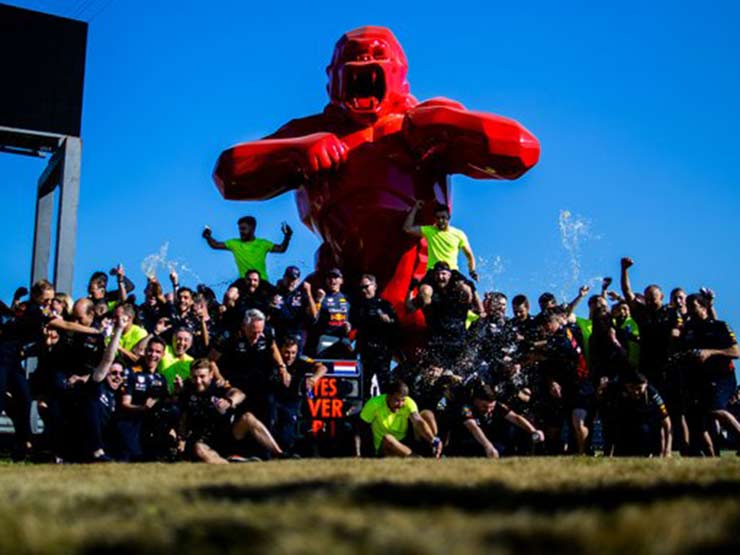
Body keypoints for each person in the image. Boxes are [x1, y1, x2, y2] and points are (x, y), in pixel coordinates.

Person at [177, 358, 283, 464]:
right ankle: (229, 465)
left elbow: (240, 394)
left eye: (202, 376)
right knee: (198, 448)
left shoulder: (218, 386)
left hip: (226, 436)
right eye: (195, 377)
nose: (198, 381)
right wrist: (181, 440)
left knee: (248, 417)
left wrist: (230, 401)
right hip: (203, 440)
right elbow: (183, 419)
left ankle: (280, 454)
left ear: (211, 374)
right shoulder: (187, 391)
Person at [681, 293, 740, 455]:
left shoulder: (719, 326)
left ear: (704, 307)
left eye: (693, 306)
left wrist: (710, 353)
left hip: (722, 378)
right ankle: (712, 457)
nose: (690, 310)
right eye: (689, 306)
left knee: (714, 409)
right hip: (698, 379)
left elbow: (736, 352)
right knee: (697, 419)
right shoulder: (687, 329)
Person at [448, 381, 543, 458]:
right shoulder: (466, 407)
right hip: (467, 441)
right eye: (484, 406)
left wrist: (533, 431)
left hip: (487, 438)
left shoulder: (497, 406)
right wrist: (488, 447)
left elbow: (516, 418)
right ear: (476, 401)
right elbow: (473, 427)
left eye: (491, 407)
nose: (488, 410)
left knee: (515, 430)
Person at [358, 379, 442, 458]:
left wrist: (434, 440)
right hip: (384, 448)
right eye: (397, 400)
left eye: (403, 400)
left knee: (427, 414)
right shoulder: (374, 404)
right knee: (388, 438)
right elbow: (360, 429)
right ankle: (417, 460)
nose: (400, 404)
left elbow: (418, 421)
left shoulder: (408, 402)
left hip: (405, 443)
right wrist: (360, 454)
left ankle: (436, 451)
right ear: (388, 396)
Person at [118, 336, 170, 461]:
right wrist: (143, 408)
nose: (153, 355)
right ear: (145, 351)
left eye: (158, 352)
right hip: (129, 424)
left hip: (150, 429)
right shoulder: (131, 372)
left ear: (162, 355)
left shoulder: (161, 378)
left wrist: (178, 391)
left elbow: (166, 403)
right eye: (150, 350)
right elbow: (124, 404)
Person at [273, 337, 327, 453]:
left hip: (292, 403)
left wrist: (313, 379)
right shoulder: (275, 360)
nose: (290, 356)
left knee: (287, 435)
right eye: (286, 352)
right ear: (281, 350)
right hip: (274, 400)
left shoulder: (302, 360)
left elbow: (322, 368)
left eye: (293, 352)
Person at [403, 201, 478, 282]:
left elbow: (469, 255)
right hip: (433, 270)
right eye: (437, 218)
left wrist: (472, 271)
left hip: (452, 271)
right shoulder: (429, 230)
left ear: (448, 217)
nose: (440, 220)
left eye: (443, 217)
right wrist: (415, 208)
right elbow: (407, 229)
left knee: (467, 289)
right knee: (424, 291)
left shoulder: (459, 234)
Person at [202, 216, 293, 282]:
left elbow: (281, 249)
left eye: (244, 229)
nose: (241, 232)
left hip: (262, 281)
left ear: (252, 228)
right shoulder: (234, 243)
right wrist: (208, 236)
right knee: (230, 295)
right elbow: (215, 245)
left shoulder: (263, 244)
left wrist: (287, 236)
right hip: (244, 282)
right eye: (239, 229)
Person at [351, 274, 399, 397]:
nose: (364, 290)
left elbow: (396, 325)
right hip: (365, 350)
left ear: (375, 286)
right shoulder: (357, 306)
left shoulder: (384, 305)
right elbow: (352, 324)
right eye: (361, 288)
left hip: (382, 351)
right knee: (364, 385)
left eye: (367, 286)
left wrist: (388, 321)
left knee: (384, 384)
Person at [614, 371, 672, 457]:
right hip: (629, 423)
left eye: (639, 388)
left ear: (646, 385)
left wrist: (667, 450)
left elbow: (667, 423)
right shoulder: (620, 393)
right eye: (632, 388)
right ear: (626, 385)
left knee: (648, 429)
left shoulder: (653, 394)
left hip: (648, 423)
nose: (636, 392)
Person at [310, 268, 352, 358]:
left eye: (336, 277)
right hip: (326, 337)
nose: (332, 280)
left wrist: (349, 326)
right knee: (323, 366)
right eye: (330, 278)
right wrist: (318, 301)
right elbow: (313, 318)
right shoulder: (321, 297)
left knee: (349, 367)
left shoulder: (348, 299)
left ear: (341, 280)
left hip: (343, 338)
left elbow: (354, 319)